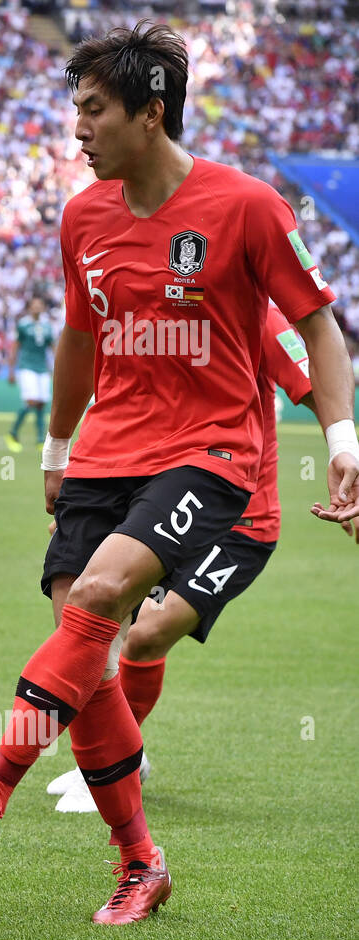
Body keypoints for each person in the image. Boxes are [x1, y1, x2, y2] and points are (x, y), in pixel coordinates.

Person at [0, 22, 357, 925]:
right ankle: (141, 862)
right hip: (104, 454)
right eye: (76, 111)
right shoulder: (81, 216)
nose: (78, 130)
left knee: (105, 605)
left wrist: (342, 444)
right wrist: (57, 451)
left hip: (211, 457)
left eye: (94, 111)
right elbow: (79, 339)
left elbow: (318, 328)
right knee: (86, 660)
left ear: (151, 112)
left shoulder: (247, 206)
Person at [48, 303, 346, 811]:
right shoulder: (153, 305)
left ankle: (110, 765)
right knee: (105, 625)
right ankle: (120, 757)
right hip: (162, 502)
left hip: (240, 521)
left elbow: (317, 383)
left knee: (144, 632)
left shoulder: (253, 312)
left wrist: (349, 461)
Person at [6, 295, 56, 453]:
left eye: (39, 305)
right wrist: (11, 370)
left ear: (42, 307)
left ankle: (40, 440)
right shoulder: (23, 325)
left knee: (41, 404)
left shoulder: (48, 326)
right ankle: (12, 433)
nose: (36, 308)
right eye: (34, 305)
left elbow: (53, 348)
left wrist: (56, 367)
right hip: (27, 367)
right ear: (29, 308)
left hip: (43, 368)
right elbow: (16, 347)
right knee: (31, 401)